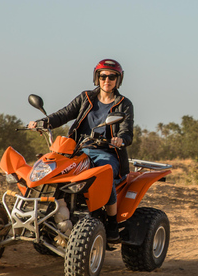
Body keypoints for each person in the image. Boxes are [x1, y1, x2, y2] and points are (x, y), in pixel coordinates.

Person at [28, 58, 134, 242]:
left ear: (118, 80)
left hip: (106, 152)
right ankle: (52, 216)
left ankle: (111, 223)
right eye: (102, 76)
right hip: (78, 150)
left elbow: (127, 130)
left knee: (104, 173)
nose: (106, 80)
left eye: (111, 77)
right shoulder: (86, 98)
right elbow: (64, 114)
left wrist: (120, 139)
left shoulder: (124, 104)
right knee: (56, 171)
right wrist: (43, 122)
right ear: (97, 77)